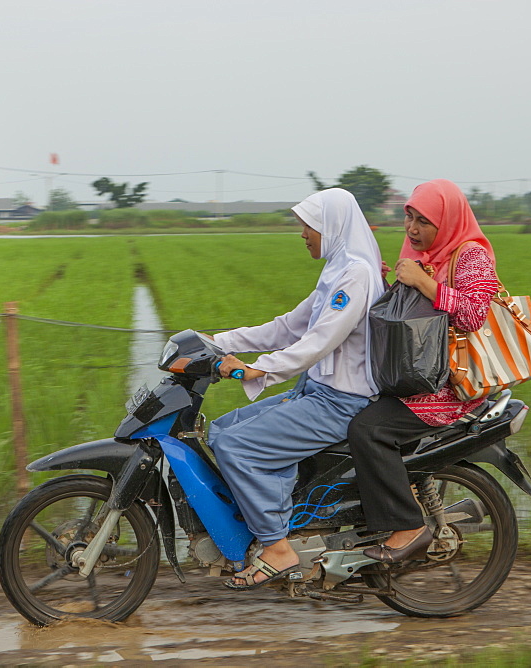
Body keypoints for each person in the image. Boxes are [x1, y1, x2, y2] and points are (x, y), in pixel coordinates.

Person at [209, 188, 385, 590]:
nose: (302, 233)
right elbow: (289, 326)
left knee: (239, 447)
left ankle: (277, 545)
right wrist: (218, 342)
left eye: (308, 225)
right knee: (220, 431)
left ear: (332, 226)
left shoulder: (355, 274)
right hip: (316, 391)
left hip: (342, 402)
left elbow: (318, 341)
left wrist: (257, 370)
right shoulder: (338, 268)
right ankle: (269, 526)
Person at [348, 179, 499, 563]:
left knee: (369, 429)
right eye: (409, 217)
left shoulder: (469, 256)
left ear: (446, 221)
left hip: (449, 387)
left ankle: (407, 526)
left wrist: (423, 282)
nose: (413, 229)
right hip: (416, 374)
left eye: (424, 221)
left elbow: (474, 315)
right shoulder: (420, 253)